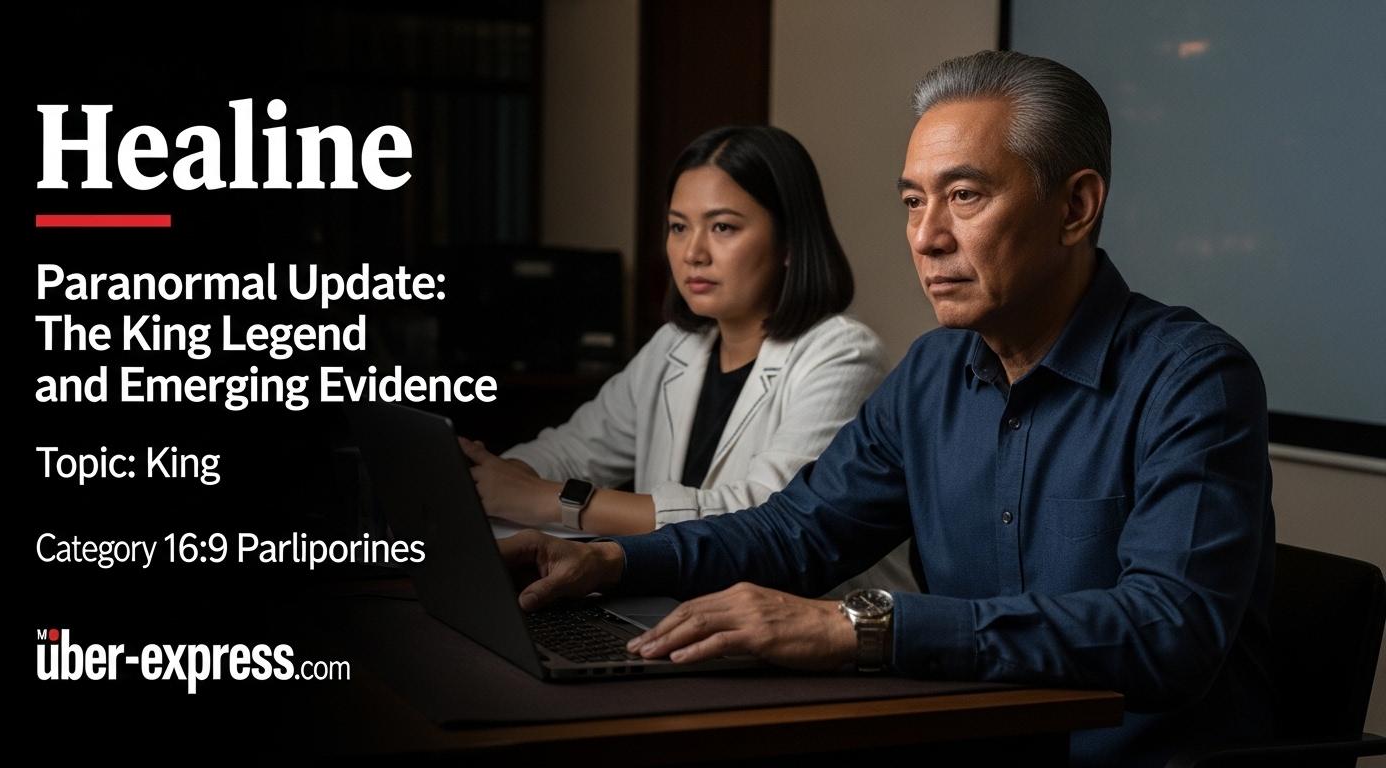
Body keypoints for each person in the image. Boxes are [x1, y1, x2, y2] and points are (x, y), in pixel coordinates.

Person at [497, 51, 1275, 768]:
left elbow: (1169, 631)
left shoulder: (1192, 378)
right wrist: (612, 560)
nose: (926, 238)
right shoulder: (932, 371)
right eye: (912, 201)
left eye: (964, 196)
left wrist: (862, 628)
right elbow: (797, 532)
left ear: (1075, 207)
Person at [463, 125, 915, 593]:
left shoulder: (843, 354)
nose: (693, 253)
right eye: (679, 227)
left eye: (723, 227)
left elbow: (764, 521)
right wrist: (499, 476)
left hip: (821, 618)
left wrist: (554, 501)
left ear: (789, 243)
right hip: (689, 605)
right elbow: (575, 448)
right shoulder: (675, 345)